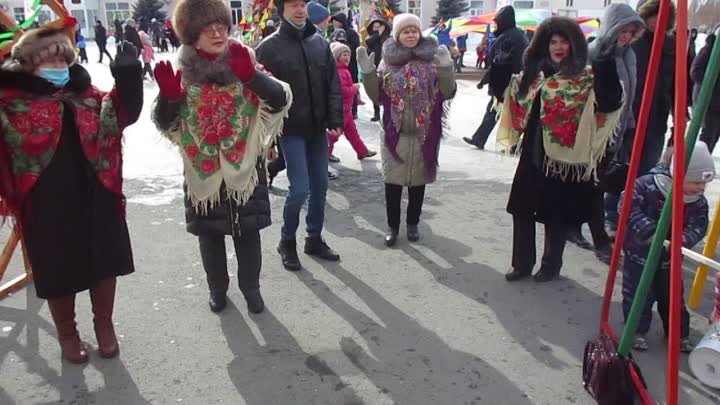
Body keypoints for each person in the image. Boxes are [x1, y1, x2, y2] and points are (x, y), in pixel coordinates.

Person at [0, 28, 143, 362]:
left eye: (62, 57)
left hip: (97, 190)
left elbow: (123, 113)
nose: (58, 64)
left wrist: (128, 73)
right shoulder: (10, 102)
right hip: (45, 200)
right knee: (56, 267)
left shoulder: (88, 95)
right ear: (28, 65)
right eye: (49, 58)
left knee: (104, 259)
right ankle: (68, 335)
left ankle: (104, 326)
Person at [152, 0, 291, 313]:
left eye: (222, 26)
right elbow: (166, 123)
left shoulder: (245, 60)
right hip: (203, 171)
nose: (217, 33)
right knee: (210, 236)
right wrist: (170, 99)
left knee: (248, 233)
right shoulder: (183, 74)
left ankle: (251, 289)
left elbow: (280, 99)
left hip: (246, 169)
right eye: (207, 28)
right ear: (191, 35)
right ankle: (218, 289)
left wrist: (252, 77)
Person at [498, 16, 623, 282]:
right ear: (543, 45)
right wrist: (499, 69)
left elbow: (610, 102)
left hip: (563, 158)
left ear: (574, 45)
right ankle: (521, 264)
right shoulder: (533, 76)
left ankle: (551, 265)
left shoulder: (585, 78)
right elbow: (510, 98)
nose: (558, 46)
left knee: (556, 216)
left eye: (564, 41)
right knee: (521, 210)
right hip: (532, 154)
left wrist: (605, 62)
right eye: (552, 41)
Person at [257, 0, 343, 271]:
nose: (299, 9)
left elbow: (332, 83)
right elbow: (259, 97)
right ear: (282, 9)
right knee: (300, 189)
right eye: (293, 4)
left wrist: (335, 118)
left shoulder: (319, 43)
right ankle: (287, 241)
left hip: (317, 128)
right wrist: (267, 140)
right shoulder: (269, 47)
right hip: (289, 129)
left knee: (320, 187)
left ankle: (313, 238)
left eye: (302, 4)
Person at [357, 13, 456, 246]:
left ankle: (413, 223)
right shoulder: (387, 61)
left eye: (414, 30)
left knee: (418, 184)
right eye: (405, 31)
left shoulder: (432, 58)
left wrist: (446, 68)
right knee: (392, 183)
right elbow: (377, 97)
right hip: (394, 132)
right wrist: (368, 74)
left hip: (425, 133)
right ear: (397, 35)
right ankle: (392, 227)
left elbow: (448, 91)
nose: (410, 34)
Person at [567, 3, 645, 264]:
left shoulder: (630, 55)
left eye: (631, 32)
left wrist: (630, 127)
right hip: (593, 132)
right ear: (611, 27)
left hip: (617, 132)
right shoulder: (594, 53)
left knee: (589, 185)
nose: (625, 36)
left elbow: (629, 97)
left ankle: (572, 226)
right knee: (593, 186)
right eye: (622, 30)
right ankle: (600, 240)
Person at [620, 142, 714, 352]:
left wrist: (682, 239)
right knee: (637, 296)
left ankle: (678, 335)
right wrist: (652, 232)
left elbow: (699, 225)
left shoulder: (697, 202)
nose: (700, 188)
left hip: (670, 261)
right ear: (678, 174)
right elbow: (627, 207)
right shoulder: (647, 186)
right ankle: (636, 331)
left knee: (673, 299)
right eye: (695, 181)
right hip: (639, 256)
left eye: (704, 184)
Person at [605, 0, 677, 236]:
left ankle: (635, 218)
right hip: (631, 115)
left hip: (657, 117)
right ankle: (613, 217)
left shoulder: (673, 46)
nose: (658, 22)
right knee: (622, 168)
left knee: (646, 171)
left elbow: (678, 84)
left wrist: (678, 119)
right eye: (654, 16)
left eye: (664, 18)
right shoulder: (634, 43)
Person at [463, 6, 528, 150]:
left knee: (498, 112)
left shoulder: (507, 38)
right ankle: (482, 139)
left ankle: (511, 145)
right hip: (514, 81)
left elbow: (500, 64)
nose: (495, 25)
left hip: (506, 83)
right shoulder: (517, 35)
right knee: (503, 113)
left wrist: (485, 80)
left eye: (497, 22)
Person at [328, 42, 376, 162]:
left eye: (348, 55)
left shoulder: (344, 70)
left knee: (352, 133)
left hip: (346, 109)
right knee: (334, 135)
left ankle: (362, 151)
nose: (347, 57)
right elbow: (342, 91)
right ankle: (325, 154)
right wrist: (354, 88)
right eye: (344, 54)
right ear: (337, 56)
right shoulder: (339, 72)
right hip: (341, 110)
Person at [691, 25, 720, 153]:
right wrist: (713, 84)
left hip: (717, 102)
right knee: (707, 135)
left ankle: (704, 162)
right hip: (708, 100)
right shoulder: (710, 49)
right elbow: (695, 71)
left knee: (714, 135)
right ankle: (697, 163)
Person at [331, 12, 360, 116]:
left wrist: (343, 46)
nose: (334, 22)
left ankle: (354, 110)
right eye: (333, 21)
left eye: (336, 20)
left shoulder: (351, 33)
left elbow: (356, 47)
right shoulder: (333, 32)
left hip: (351, 65)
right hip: (337, 66)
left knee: (351, 86)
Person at [365, 16, 390, 122]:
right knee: (374, 89)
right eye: (375, 26)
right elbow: (369, 42)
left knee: (386, 89)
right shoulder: (370, 37)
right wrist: (378, 34)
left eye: (379, 26)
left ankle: (387, 112)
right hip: (374, 65)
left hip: (385, 66)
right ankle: (376, 113)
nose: (377, 28)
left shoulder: (387, 38)